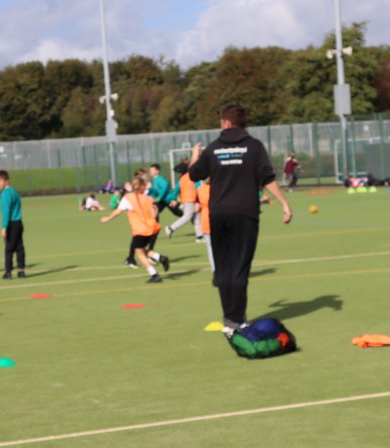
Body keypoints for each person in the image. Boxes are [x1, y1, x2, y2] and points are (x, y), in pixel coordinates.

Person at [187, 104, 292, 335]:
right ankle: (239, 319)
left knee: (223, 268)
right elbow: (267, 178)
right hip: (245, 214)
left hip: (218, 214)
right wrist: (284, 203)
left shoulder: (213, 148)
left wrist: (195, 158)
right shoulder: (254, 147)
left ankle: (230, 319)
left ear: (225, 123)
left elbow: (194, 174)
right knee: (240, 267)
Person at [100, 175, 169, 283]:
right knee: (140, 249)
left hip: (141, 230)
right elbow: (155, 210)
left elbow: (118, 211)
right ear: (142, 187)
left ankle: (154, 274)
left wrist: (107, 218)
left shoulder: (128, 198)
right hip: (152, 227)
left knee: (139, 252)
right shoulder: (147, 198)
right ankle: (160, 257)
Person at [0, 170, 26, 279]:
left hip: (11, 224)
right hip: (18, 223)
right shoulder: (14, 191)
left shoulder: (5, 194)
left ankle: (8, 272)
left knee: (9, 249)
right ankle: (21, 270)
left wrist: (4, 227)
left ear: (6, 181)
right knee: (19, 248)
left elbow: (6, 211)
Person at [165, 166, 200, 239]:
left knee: (196, 217)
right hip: (191, 199)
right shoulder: (192, 176)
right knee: (187, 216)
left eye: (178, 172)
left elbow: (175, 191)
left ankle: (200, 236)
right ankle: (171, 228)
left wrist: (171, 199)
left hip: (187, 200)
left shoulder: (181, 179)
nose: (178, 174)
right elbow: (198, 187)